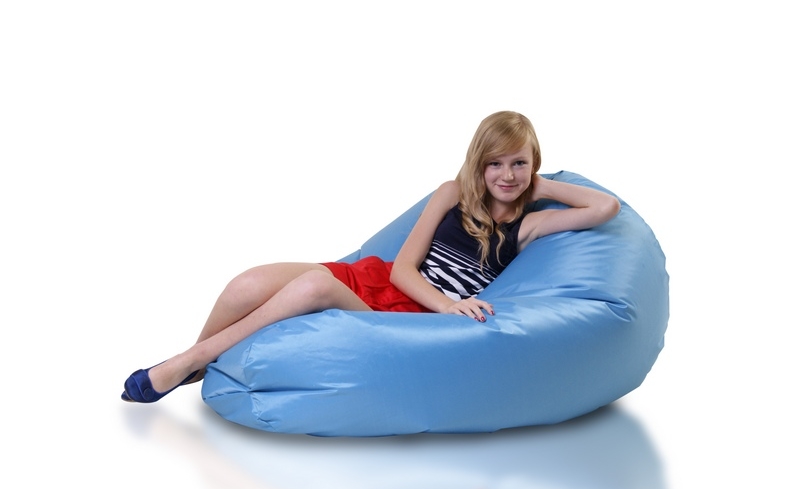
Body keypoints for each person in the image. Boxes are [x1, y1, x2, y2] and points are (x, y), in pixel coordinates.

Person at [122, 111, 620, 403]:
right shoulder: (451, 193)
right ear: (478, 165)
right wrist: (444, 301)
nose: (507, 176)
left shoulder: (527, 226)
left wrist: (540, 185)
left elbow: (605, 207)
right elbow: (403, 267)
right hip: (383, 281)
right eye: (496, 164)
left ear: (533, 167)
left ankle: (188, 362)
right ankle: (197, 365)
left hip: (415, 315)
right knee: (246, 283)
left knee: (314, 287)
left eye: (519, 164)